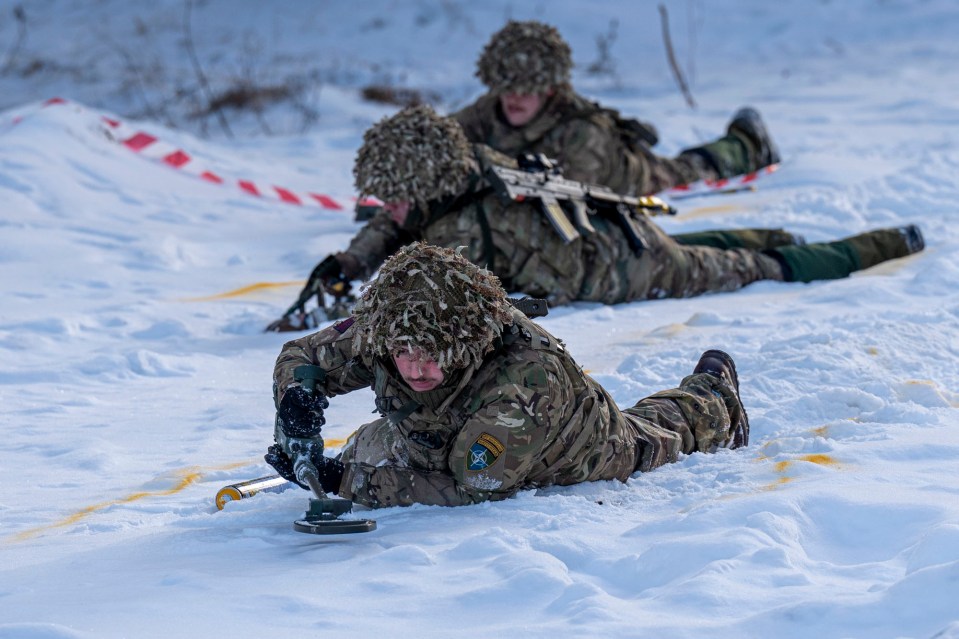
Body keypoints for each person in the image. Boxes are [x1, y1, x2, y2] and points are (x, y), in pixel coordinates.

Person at [266, 104, 922, 329]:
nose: (392, 207)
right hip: (607, 228)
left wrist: (356, 306)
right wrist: (352, 259)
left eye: (397, 194)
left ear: (426, 182)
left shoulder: (457, 231)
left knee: (751, 267)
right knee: (706, 244)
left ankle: (880, 243)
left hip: (620, 268)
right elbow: (400, 222)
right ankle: (785, 236)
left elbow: (430, 299)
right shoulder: (468, 167)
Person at [265, 242, 750, 508]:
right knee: (371, 445)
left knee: (657, 434)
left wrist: (344, 481)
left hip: (573, 449)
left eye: (432, 354)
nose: (414, 368)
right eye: (402, 353)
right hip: (434, 435)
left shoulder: (524, 380)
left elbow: (472, 489)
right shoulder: (393, 325)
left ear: (466, 342)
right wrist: (298, 402)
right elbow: (303, 354)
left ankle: (713, 394)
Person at [453, 20, 780, 198]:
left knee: (689, 169)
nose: (514, 98)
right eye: (507, 87)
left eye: (528, 89)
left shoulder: (581, 133)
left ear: (549, 89)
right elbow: (443, 140)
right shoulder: (487, 111)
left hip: (632, 179)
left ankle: (747, 143)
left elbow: (558, 196)